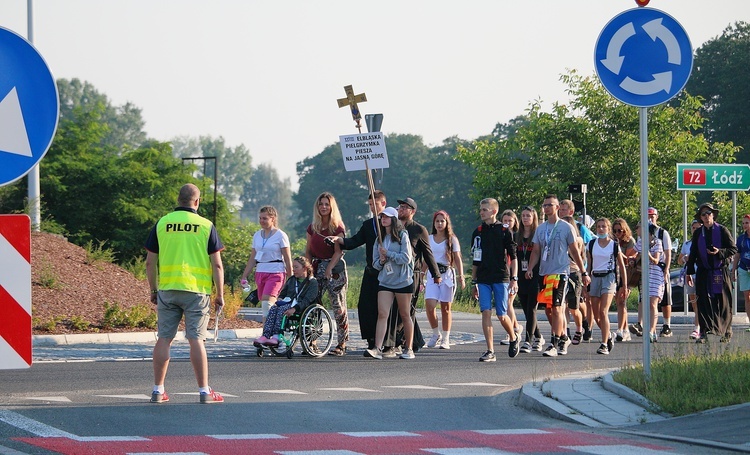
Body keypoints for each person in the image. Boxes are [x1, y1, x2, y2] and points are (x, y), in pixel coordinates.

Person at [145, 183, 225, 404]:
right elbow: (217, 265)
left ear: (178, 200)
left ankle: (158, 390)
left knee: (164, 339)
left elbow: (150, 262)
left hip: (168, 289)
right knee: (196, 340)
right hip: (196, 292)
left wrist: (153, 289)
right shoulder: (206, 225)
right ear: (197, 202)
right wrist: (220, 294)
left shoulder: (162, 223)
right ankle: (204, 392)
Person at [526, 194, 590, 358]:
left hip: (561, 273)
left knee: (556, 308)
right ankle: (563, 337)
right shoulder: (541, 229)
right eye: (544, 205)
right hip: (544, 273)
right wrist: (530, 268)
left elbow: (574, 251)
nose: (546, 207)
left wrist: (583, 272)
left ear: (556, 208)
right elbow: (536, 251)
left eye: (549, 205)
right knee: (550, 310)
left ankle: (554, 342)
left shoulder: (565, 227)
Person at [381, 197, 441, 356]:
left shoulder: (419, 230)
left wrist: (436, 275)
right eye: (400, 206)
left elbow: (428, 253)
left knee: (407, 312)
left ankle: (400, 344)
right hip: (393, 274)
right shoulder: (395, 228)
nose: (401, 209)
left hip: (412, 275)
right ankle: (415, 341)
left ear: (412, 211)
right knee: (396, 310)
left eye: (405, 207)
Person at [328, 190, 386, 353]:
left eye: (375, 204)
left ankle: (388, 340)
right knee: (365, 306)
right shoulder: (368, 224)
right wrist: (339, 240)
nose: (372, 208)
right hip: (371, 271)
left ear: (383, 204)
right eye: (370, 205)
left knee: (384, 307)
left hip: (388, 273)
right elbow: (354, 241)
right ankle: (370, 338)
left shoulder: (390, 223)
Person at [470, 198, 520, 361]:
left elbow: (513, 257)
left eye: (484, 209)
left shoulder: (504, 231)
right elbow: (476, 259)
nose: (481, 212)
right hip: (484, 278)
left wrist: (514, 278)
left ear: (493, 211)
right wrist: (473, 281)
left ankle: (513, 337)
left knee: (501, 314)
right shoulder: (478, 231)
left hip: (500, 277)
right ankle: (490, 350)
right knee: (486, 311)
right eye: (480, 209)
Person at [366, 207, 416, 359]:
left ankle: (408, 348)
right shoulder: (379, 239)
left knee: (405, 314)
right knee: (382, 313)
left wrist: (389, 254)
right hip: (385, 281)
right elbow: (375, 263)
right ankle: (377, 348)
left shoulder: (403, 235)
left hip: (402, 280)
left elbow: (406, 258)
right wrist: (380, 262)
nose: (383, 219)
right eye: (382, 217)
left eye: (387, 217)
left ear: (393, 219)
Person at [305, 192, 349, 356]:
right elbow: (308, 250)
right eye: (321, 204)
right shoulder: (313, 227)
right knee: (313, 303)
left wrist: (329, 268)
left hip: (334, 266)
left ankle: (342, 342)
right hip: (316, 265)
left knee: (337, 305)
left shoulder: (337, 227)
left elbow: (338, 251)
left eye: (326, 204)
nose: (323, 207)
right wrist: (308, 269)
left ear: (331, 207)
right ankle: (312, 340)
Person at [686, 203, 737, 343]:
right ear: (700, 218)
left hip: (720, 270)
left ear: (713, 215)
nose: (706, 216)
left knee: (724, 302)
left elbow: (733, 249)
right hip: (704, 272)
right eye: (703, 214)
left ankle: (727, 330)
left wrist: (719, 252)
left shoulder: (722, 230)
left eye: (708, 213)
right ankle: (704, 332)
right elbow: (693, 253)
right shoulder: (698, 233)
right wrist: (689, 272)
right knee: (703, 302)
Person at [240, 206, 293, 322]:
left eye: (265, 218)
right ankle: (273, 329)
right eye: (260, 218)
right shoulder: (257, 236)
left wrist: (291, 277)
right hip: (260, 271)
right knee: (266, 304)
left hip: (276, 272)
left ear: (272, 219)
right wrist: (244, 275)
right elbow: (252, 258)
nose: (261, 221)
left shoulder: (281, 235)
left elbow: (288, 258)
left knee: (266, 303)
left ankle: (266, 333)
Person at [253, 257, 319, 347]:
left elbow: (307, 300)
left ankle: (277, 336)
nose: (293, 270)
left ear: (304, 268)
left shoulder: (312, 282)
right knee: (273, 308)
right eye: (293, 267)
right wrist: (280, 299)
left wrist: (294, 309)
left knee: (281, 310)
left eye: (296, 267)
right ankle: (265, 335)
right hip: (288, 303)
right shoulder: (292, 279)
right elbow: (283, 293)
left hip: (301, 307)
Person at [424, 210, 465, 349]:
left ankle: (446, 338)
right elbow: (426, 259)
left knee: (445, 307)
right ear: (434, 223)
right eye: (437, 221)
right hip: (432, 275)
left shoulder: (451, 239)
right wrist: (420, 274)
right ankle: (436, 334)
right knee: (430, 305)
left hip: (447, 274)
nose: (440, 224)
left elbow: (458, 258)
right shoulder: (429, 238)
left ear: (446, 223)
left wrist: (461, 276)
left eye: (442, 221)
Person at [586, 217, 627, 355]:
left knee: (603, 311)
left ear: (608, 229)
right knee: (596, 314)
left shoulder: (614, 245)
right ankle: (608, 335)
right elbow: (589, 264)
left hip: (609, 278)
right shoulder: (591, 244)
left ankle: (604, 344)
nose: (601, 229)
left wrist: (624, 286)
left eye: (604, 226)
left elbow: (621, 266)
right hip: (595, 277)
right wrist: (586, 280)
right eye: (598, 226)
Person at [559, 199, 595, 341]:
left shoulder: (580, 228)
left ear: (571, 211)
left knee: (578, 303)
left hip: (577, 270)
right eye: (559, 209)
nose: (560, 212)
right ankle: (566, 330)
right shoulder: (556, 227)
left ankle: (584, 322)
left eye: (563, 210)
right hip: (562, 270)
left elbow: (586, 251)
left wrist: (584, 270)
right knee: (564, 304)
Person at [516, 206, 544, 353]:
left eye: (528, 216)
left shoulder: (538, 234)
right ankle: (539, 336)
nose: (525, 218)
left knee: (532, 307)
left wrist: (533, 269)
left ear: (534, 218)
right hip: (520, 275)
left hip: (535, 274)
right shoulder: (517, 236)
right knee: (526, 308)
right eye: (523, 215)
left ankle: (529, 340)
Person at [634, 223, 667, 343]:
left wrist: (648, 255)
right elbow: (634, 254)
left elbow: (656, 260)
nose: (637, 230)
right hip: (644, 274)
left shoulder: (657, 242)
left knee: (653, 303)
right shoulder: (640, 242)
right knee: (644, 301)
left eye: (639, 227)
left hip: (655, 274)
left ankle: (652, 331)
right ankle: (643, 326)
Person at [648, 207, 674, 338]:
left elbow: (668, 253)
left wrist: (666, 270)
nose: (650, 218)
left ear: (656, 217)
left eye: (652, 216)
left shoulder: (662, 233)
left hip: (660, 268)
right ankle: (648, 326)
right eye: (648, 216)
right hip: (648, 270)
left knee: (665, 298)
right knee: (649, 300)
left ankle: (666, 325)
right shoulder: (643, 232)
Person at [561, 215, 585, 351]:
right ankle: (565, 331)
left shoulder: (578, 239)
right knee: (562, 306)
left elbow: (575, 249)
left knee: (573, 308)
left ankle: (579, 328)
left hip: (574, 273)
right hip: (561, 273)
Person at [500, 209, 524, 345]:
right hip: (503, 272)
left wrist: (514, 277)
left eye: (510, 220)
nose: (507, 223)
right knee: (506, 303)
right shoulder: (500, 235)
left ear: (515, 222)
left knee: (508, 303)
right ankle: (515, 328)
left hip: (514, 273)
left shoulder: (517, 236)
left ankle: (514, 330)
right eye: (505, 221)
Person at [612, 218, 637, 342]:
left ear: (624, 230)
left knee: (622, 301)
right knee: (619, 302)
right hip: (614, 274)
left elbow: (627, 260)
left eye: (620, 231)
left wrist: (617, 251)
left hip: (626, 274)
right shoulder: (612, 241)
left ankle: (620, 329)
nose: (617, 233)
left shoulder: (630, 241)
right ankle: (625, 329)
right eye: (615, 231)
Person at [680, 220, 703, 339]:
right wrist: (685, 258)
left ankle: (698, 328)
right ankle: (698, 327)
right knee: (694, 304)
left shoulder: (703, 242)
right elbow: (679, 260)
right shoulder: (687, 244)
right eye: (693, 227)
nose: (694, 229)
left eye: (697, 227)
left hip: (701, 274)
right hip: (690, 275)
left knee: (701, 302)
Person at [732, 214, 750, 333]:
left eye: (747, 223)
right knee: (747, 297)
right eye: (743, 223)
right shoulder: (741, 239)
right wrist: (734, 270)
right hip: (744, 269)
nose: (744, 225)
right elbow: (737, 255)